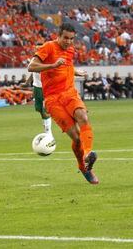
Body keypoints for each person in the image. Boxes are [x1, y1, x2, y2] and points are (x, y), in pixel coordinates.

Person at [28, 23, 98, 184]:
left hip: (69, 93)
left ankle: (88, 155)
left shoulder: (70, 49)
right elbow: (31, 67)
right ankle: (83, 167)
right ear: (58, 36)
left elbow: (66, 65)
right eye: (65, 38)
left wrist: (75, 71)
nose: (68, 41)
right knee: (76, 137)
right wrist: (52, 65)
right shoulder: (48, 47)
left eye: (71, 39)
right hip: (53, 99)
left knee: (83, 117)